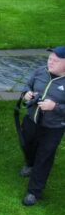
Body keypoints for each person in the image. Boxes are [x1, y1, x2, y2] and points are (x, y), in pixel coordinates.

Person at [18, 46, 65, 206]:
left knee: (44, 157)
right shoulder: (40, 71)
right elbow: (27, 86)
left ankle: (34, 192)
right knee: (27, 145)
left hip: (53, 128)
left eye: (55, 61)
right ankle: (30, 163)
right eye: (50, 59)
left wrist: (55, 107)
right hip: (31, 121)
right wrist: (26, 94)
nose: (50, 62)